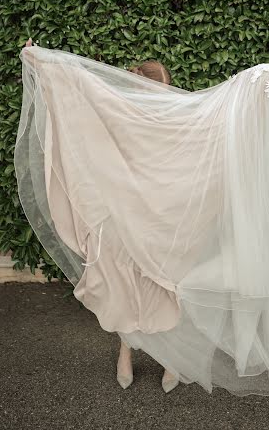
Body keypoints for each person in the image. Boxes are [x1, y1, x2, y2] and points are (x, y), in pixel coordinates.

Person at [24, 37, 178, 393]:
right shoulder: (113, 112)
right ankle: (125, 351)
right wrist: (40, 63)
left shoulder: (170, 118)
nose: (162, 96)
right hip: (118, 215)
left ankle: (171, 357)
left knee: (161, 285)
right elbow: (73, 104)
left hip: (158, 215)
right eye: (157, 89)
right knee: (122, 282)